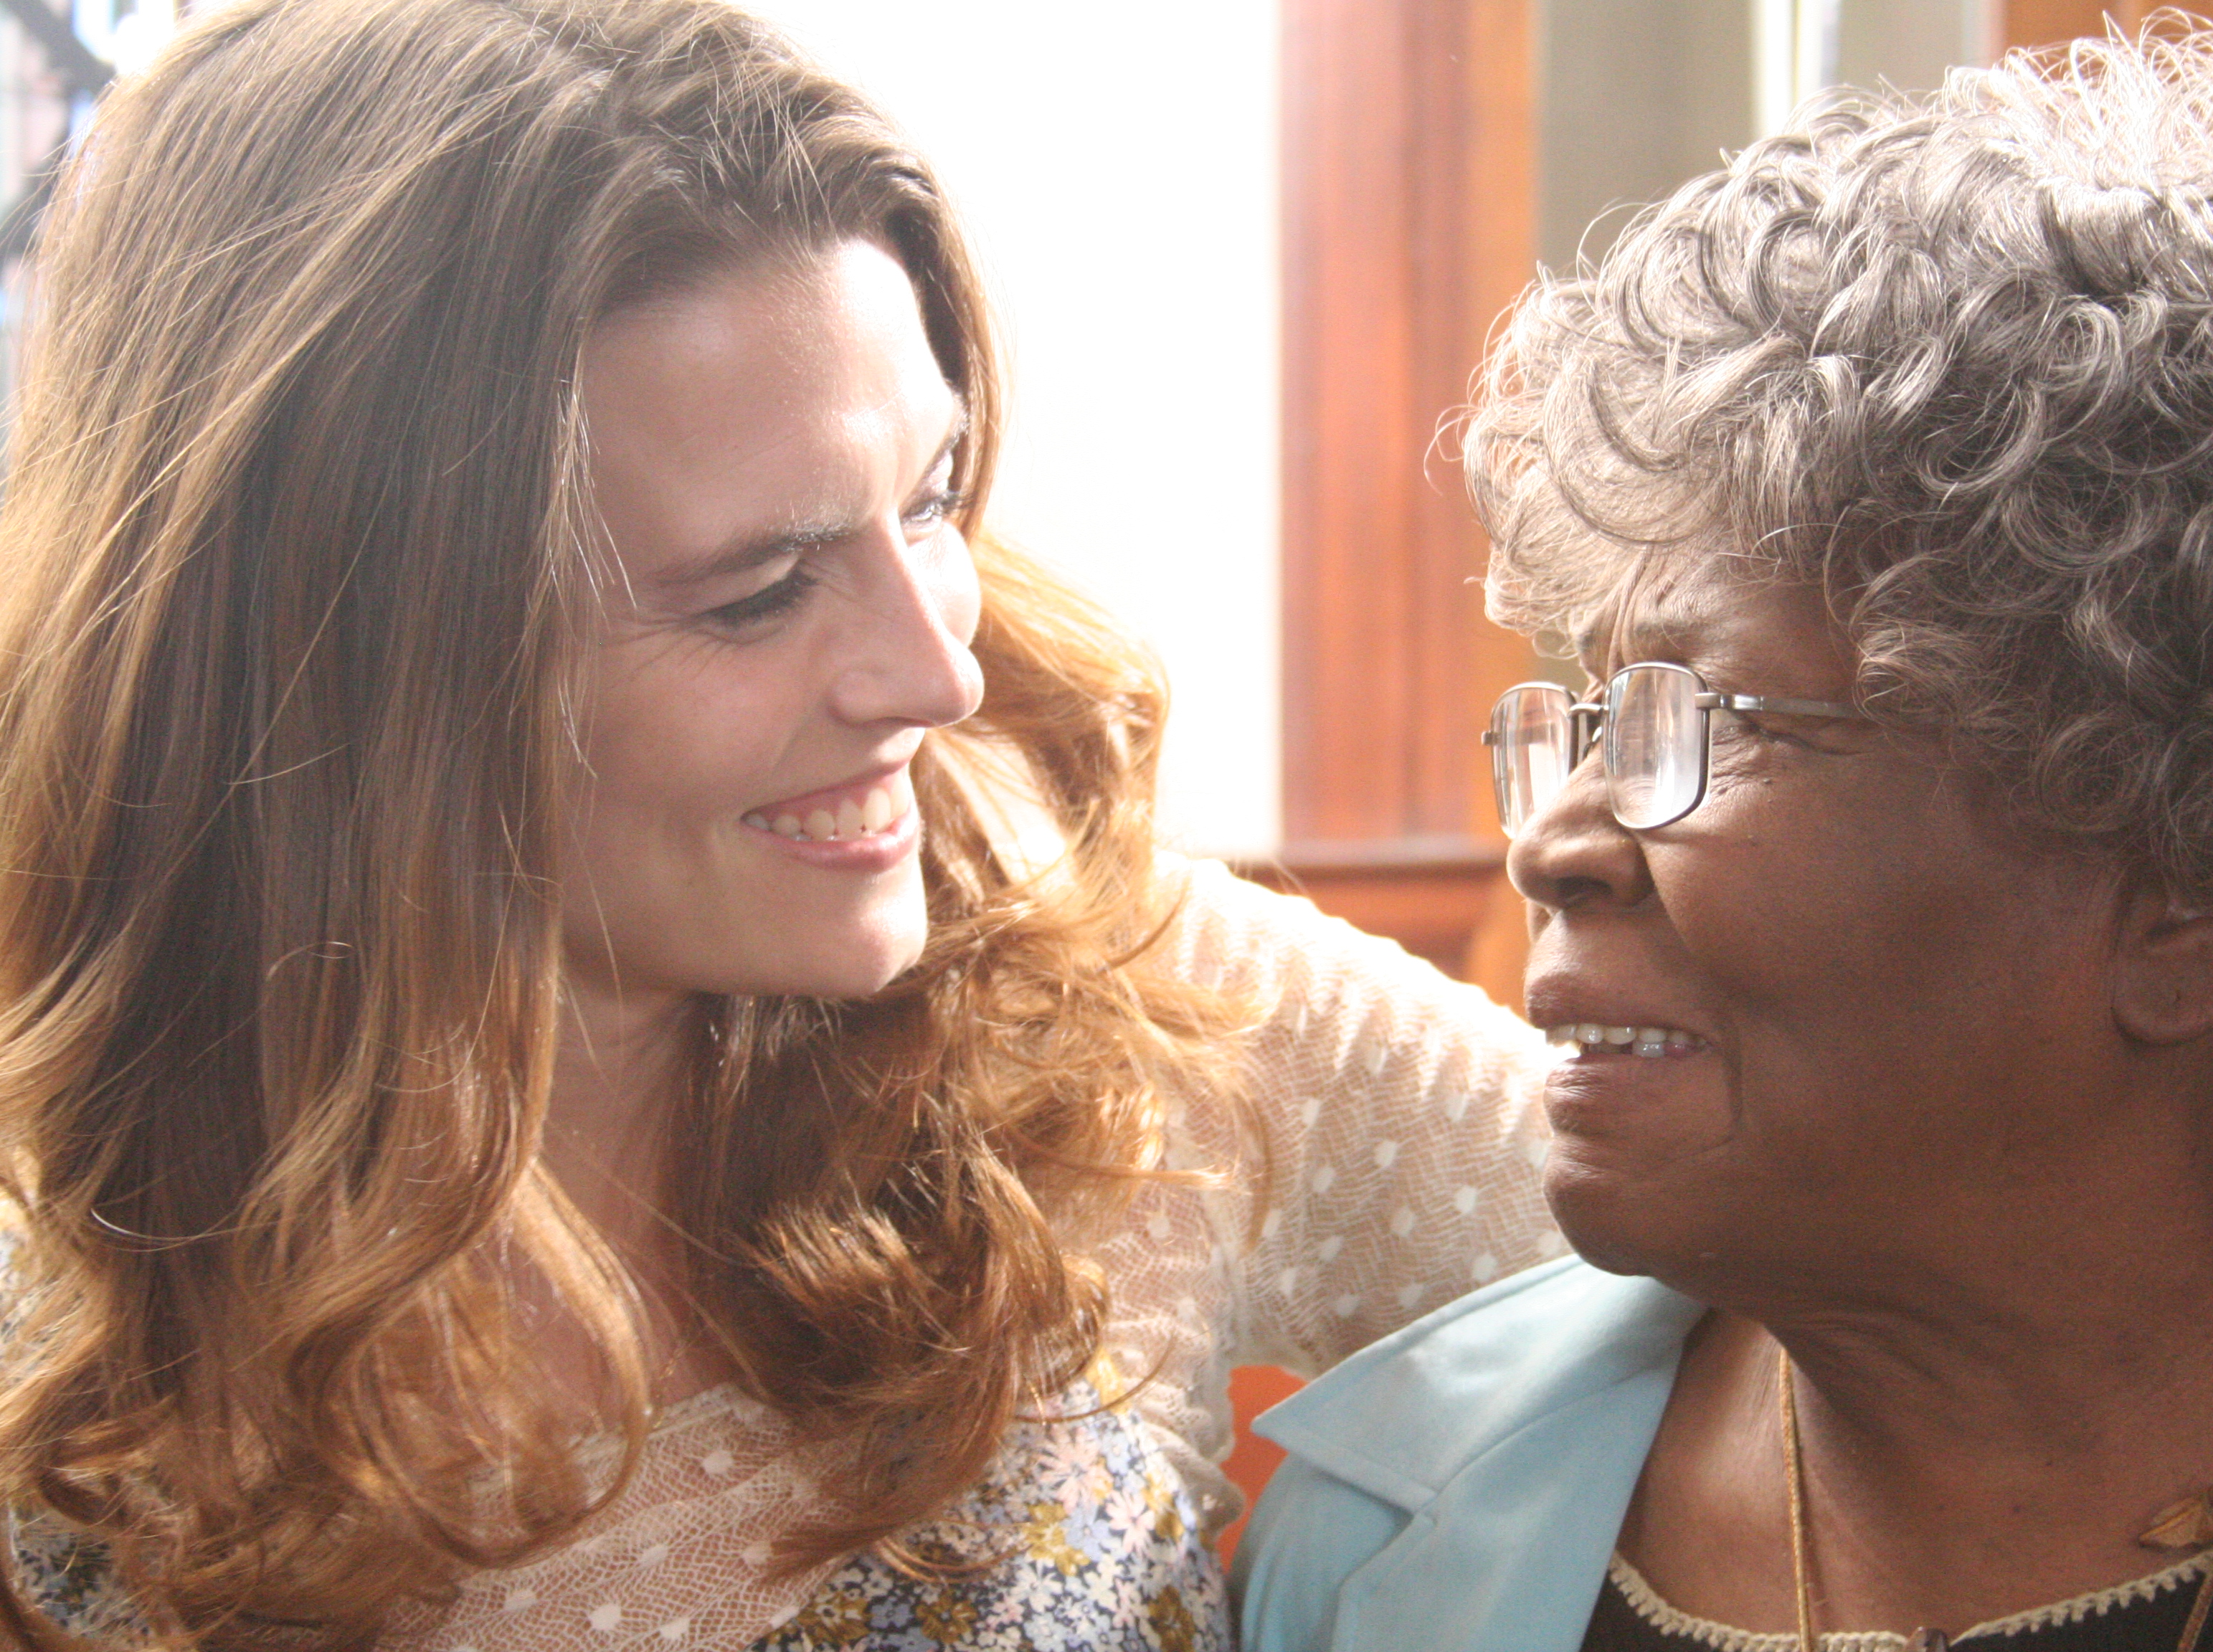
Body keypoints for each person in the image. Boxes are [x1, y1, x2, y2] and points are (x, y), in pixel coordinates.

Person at [0, 2, 1557, 1647]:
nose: (937, 671)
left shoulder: (1140, 1011)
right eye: (756, 593)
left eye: (934, 500)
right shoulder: (56, 1323)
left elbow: (1805, 1297)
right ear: (347, 670)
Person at [1236, 28, 2213, 1652]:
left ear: (2195, 884)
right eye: (1590, 720)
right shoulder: (1369, 1546)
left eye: (1714, 719)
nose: (1557, 839)